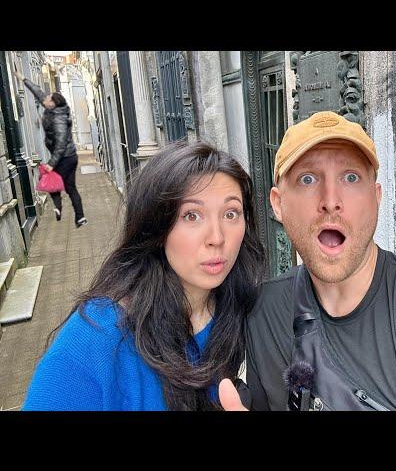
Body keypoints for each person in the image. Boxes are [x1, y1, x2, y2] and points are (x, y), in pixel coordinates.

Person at [219, 111, 396, 411]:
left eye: (351, 177)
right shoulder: (262, 313)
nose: (330, 200)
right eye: (308, 178)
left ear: (376, 196)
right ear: (278, 203)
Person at [23, 142, 265, 410]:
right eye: (192, 215)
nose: (217, 238)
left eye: (231, 214)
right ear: (157, 227)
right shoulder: (97, 339)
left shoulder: (247, 309)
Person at [13, 65, 87, 227]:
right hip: (67, 156)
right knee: (69, 187)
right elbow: (38, 92)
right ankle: (79, 217)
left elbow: (60, 144)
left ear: (54, 103)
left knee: (49, 178)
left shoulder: (59, 118)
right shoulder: (52, 108)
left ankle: (60, 207)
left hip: (65, 157)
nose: (45, 100)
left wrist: (51, 164)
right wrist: (22, 78)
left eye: (49, 99)